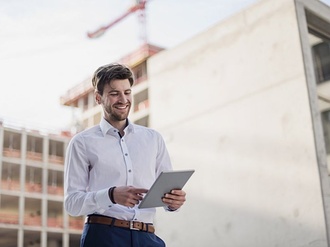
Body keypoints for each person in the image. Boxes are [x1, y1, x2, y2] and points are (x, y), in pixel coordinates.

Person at [64, 63, 187, 247]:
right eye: (114, 94)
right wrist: (111, 195)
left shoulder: (153, 139)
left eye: (127, 92)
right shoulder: (82, 142)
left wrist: (174, 202)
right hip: (103, 236)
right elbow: (72, 203)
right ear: (98, 98)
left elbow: (166, 191)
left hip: (147, 237)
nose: (123, 99)